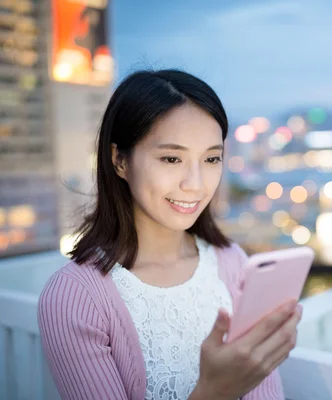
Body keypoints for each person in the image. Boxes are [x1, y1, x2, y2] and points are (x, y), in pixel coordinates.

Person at [37, 69, 302, 400]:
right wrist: (215, 391)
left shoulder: (231, 262)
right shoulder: (75, 297)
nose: (195, 183)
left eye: (211, 158)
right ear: (119, 159)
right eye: (172, 158)